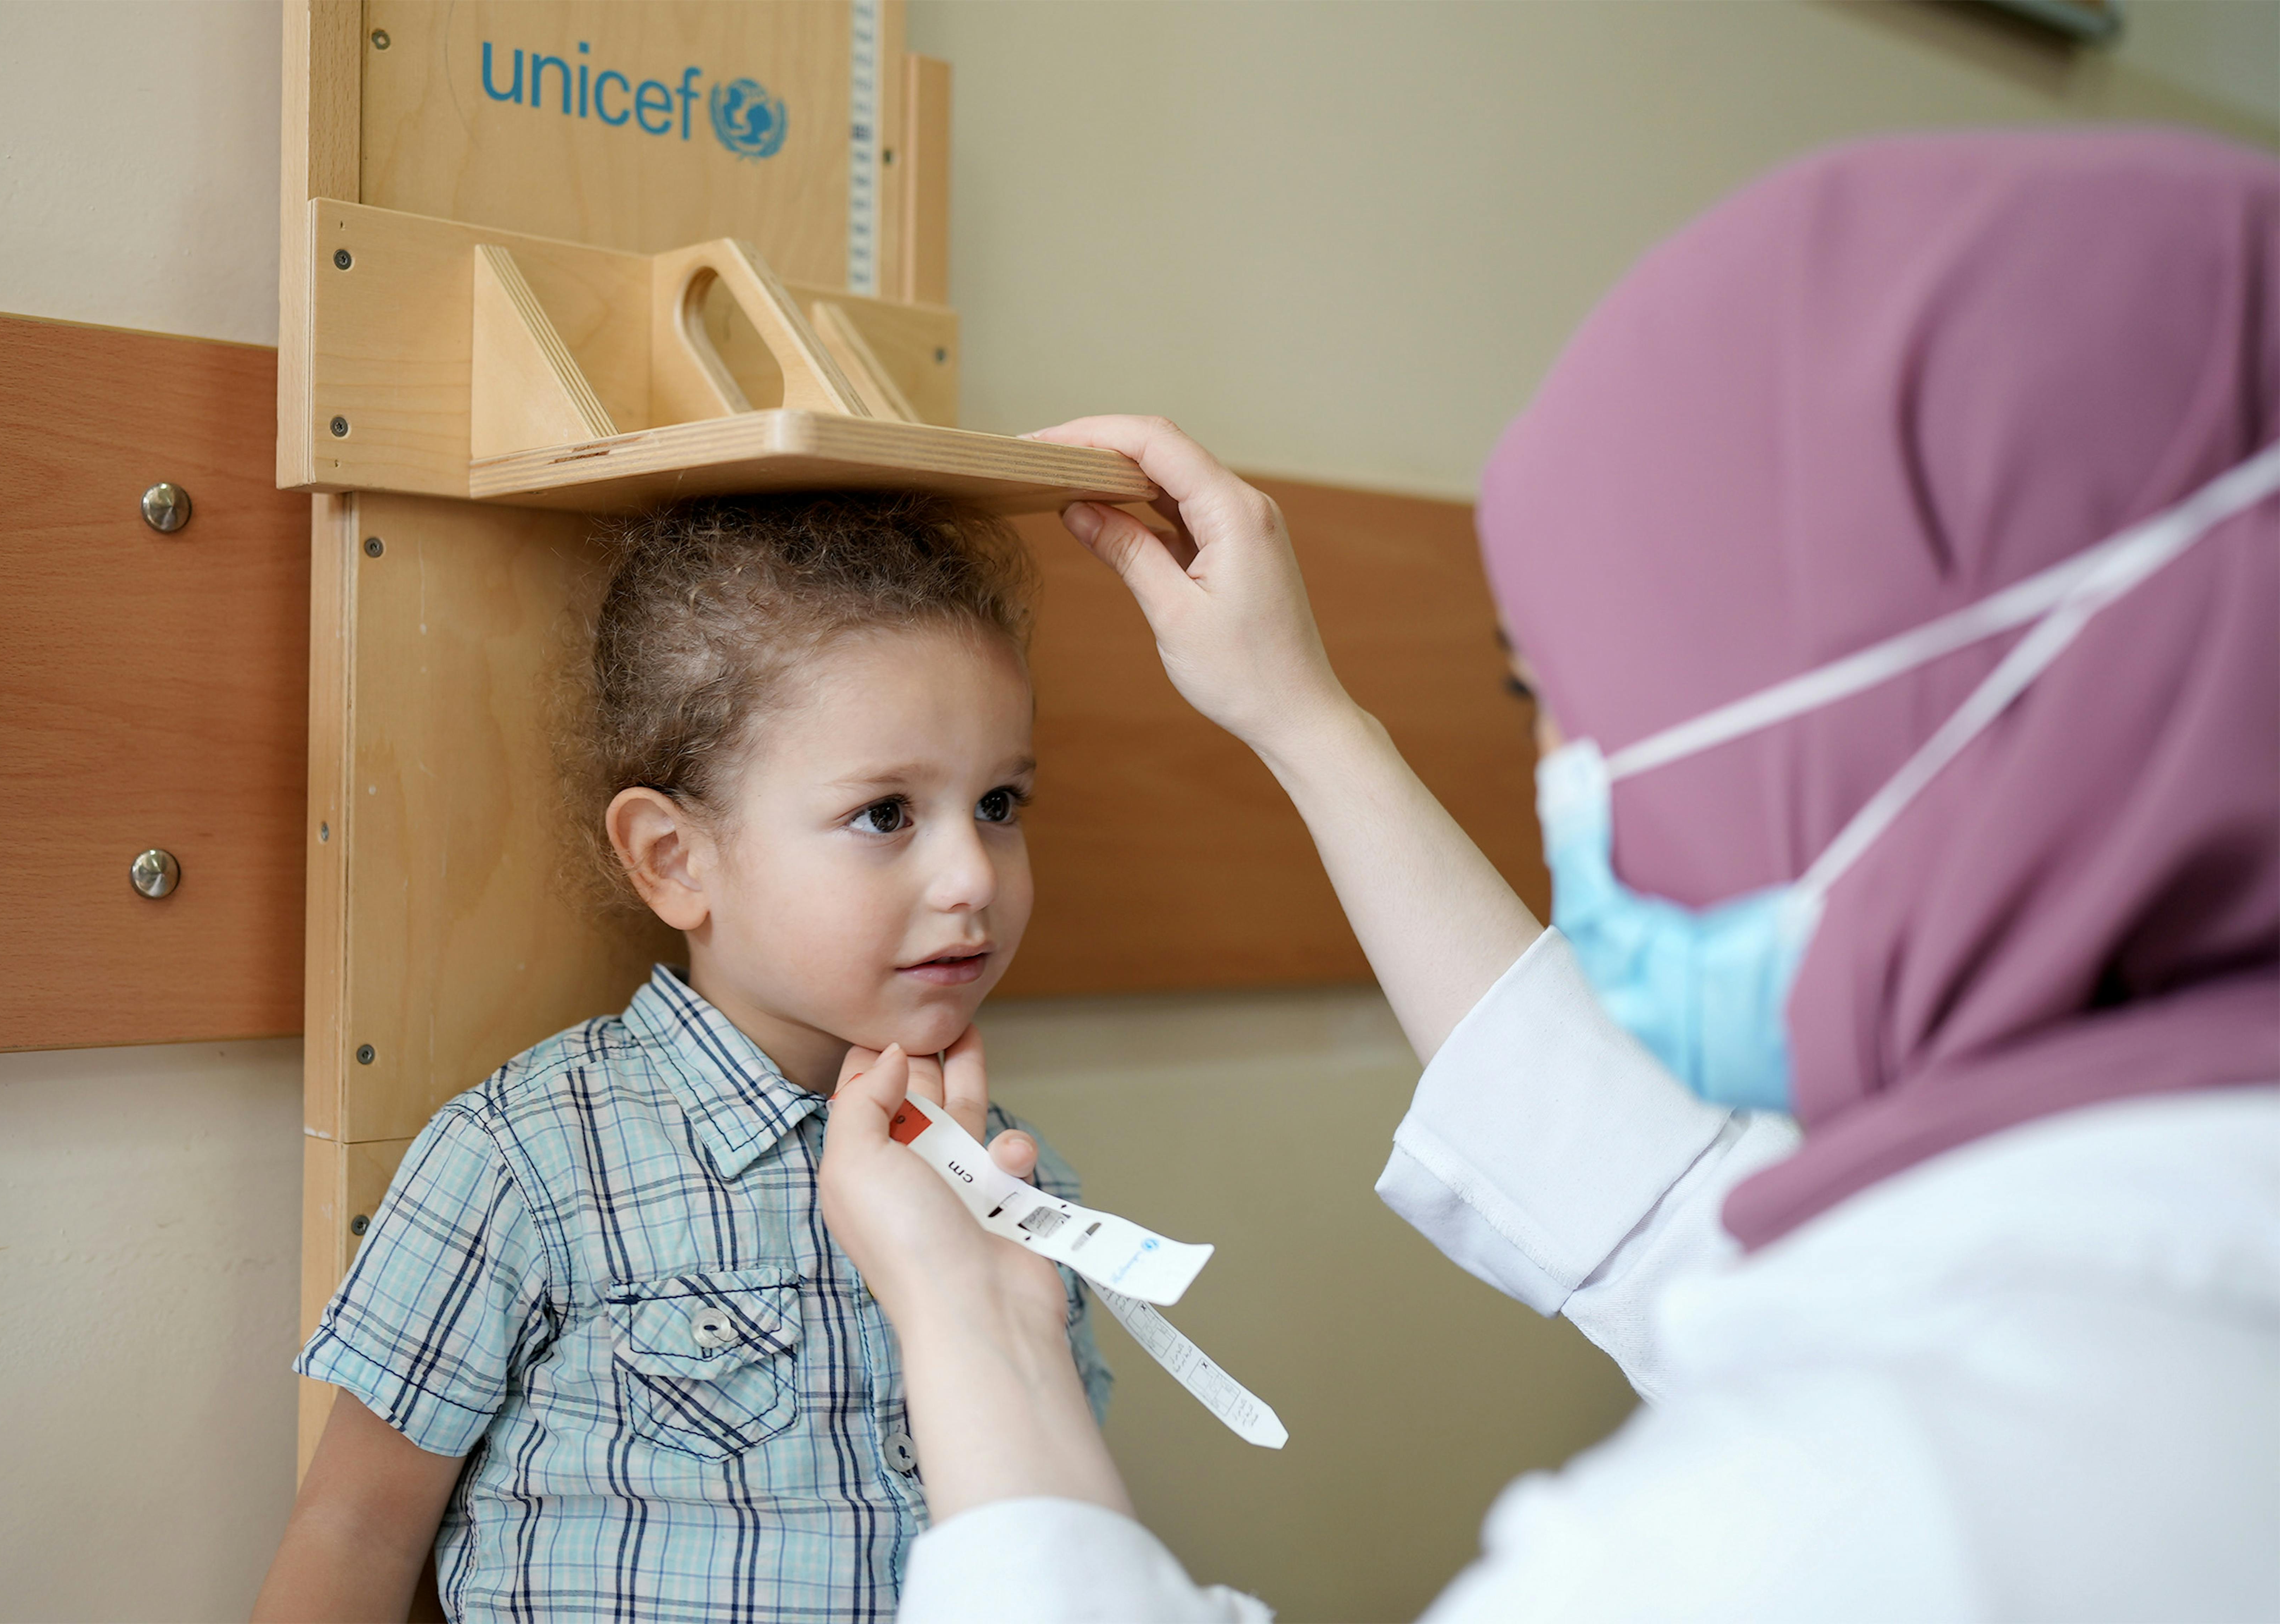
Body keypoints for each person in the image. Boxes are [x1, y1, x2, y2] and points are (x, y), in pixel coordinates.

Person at [818, 128, 2280, 1622]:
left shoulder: (1863, 1518)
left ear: (1862, 726)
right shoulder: (2154, 1258)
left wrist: (972, 1330)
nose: (1572, 779)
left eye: (1569, 699)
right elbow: (1670, 1207)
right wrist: (1302, 722)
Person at [250, 494, 1110, 1623]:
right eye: (886, 813)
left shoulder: (1016, 1182)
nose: (973, 878)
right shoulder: (525, 1161)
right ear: (674, 858)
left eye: (999, 803)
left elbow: (1060, 1539)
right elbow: (354, 1527)